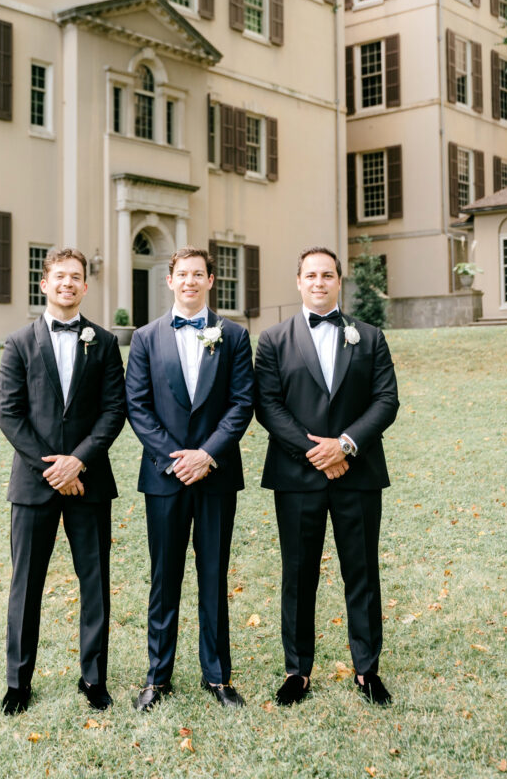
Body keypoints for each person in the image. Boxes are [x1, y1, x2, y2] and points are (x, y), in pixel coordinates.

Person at [255, 246, 399, 706]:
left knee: (362, 572)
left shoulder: (370, 337)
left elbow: (385, 400)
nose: (319, 282)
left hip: (357, 475)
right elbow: (268, 405)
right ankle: (297, 671)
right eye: (311, 275)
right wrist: (315, 450)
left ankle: (366, 670)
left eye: (328, 275)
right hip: (297, 477)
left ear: (340, 281)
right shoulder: (273, 339)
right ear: (298, 281)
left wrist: (346, 446)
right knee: (298, 575)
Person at [0, 247, 126, 715]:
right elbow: (10, 416)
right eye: (60, 277)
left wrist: (79, 462)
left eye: (76, 277)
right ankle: (18, 682)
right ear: (45, 284)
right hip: (33, 487)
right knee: (25, 585)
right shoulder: (19, 343)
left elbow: (115, 411)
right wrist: (54, 469)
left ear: (85, 287)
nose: (68, 283)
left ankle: (93, 678)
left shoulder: (106, 344)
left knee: (94, 583)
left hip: (90, 485)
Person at [125, 246, 254, 710]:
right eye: (183, 274)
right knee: (165, 577)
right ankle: (157, 676)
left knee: (214, 574)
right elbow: (136, 406)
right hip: (164, 477)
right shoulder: (145, 338)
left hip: (216, 475)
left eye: (199, 274)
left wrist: (207, 455)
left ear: (211, 280)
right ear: (170, 280)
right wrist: (176, 459)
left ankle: (217, 676)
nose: (190, 282)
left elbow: (243, 403)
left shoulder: (235, 336)